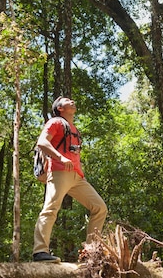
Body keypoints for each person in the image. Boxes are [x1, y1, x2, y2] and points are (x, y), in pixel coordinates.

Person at [32, 96, 108, 263]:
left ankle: (90, 254)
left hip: (77, 177)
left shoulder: (74, 128)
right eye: (67, 100)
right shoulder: (55, 122)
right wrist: (60, 158)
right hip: (59, 171)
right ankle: (40, 252)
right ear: (60, 108)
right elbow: (42, 142)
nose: (72, 101)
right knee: (50, 208)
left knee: (100, 207)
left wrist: (81, 173)